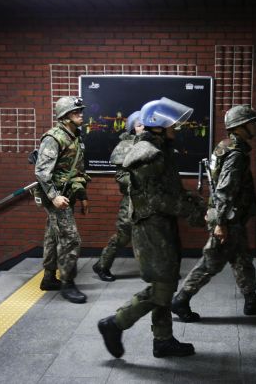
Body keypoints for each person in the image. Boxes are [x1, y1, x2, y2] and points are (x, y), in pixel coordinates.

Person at [98, 98, 206, 359]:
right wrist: (194, 212)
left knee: (165, 280)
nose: (176, 129)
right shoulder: (149, 153)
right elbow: (156, 199)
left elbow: (170, 190)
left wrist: (195, 203)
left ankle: (163, 340)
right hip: (151, 227)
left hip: (161, 224)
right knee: (162, 287)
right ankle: (116, 323)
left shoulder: (160, 148)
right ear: (158, 125)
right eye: (172, 125)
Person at [171, 105, 256, 323]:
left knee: (242, 259)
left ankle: (251, 300)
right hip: (227, 219)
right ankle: (180, 300)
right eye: (251, 123)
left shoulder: (225, 146)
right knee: (211, 262)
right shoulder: (236, 154)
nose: (254, 126)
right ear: (240, 127)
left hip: (232, 217)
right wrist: (220, 222)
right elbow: (224, 189)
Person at [35, 96, 90, 303]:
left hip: (68, 194)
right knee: (70, 239)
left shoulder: (75, 136)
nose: (81, 115)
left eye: (80, 111)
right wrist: (54, 196)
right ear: (65, 116)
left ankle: (48, 278)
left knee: (52, 236)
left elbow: (78, 170)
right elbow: (41, 172)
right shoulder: (54, 138)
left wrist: (83, 196)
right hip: (57, 197)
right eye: (76, 113)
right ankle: (67, 283)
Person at [92, 111, 144, 282]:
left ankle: (154, 271)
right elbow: (121, 176)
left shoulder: (154, 144)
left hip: (151, 199)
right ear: (132, 128)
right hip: (131, 199)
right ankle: (102, 265)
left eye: (145, 124)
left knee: (153, 233)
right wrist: (139, 181)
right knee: (123, 235)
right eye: (139, 125)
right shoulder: (125, 146)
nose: (143, 128)